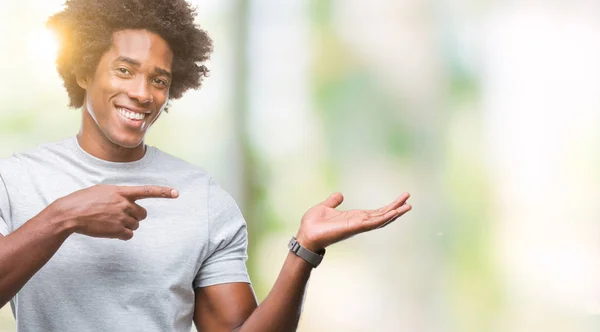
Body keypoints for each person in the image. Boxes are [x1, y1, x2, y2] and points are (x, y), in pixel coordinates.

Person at [0, 0, 412, 331]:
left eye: (158, 80)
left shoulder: (202, 198)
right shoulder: (16, 180)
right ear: (83, 71)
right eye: (124, 71)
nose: (142, 93)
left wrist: (304, 250)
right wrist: (63, 217)